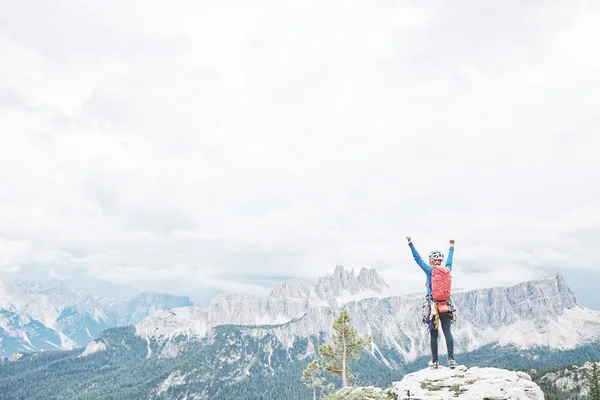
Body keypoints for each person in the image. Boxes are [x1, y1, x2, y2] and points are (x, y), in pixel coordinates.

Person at [406, 235, 457, 369]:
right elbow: (450, 261)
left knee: (434, 334)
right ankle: (451, 360)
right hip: (446, 304)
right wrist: (451, 247)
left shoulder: (430, 270)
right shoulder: (447, 269)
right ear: (440, 260)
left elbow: (418, 259)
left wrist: (410, 243)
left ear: (432, 261)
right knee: (447, 332)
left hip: (433, 305)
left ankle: (434, 362)